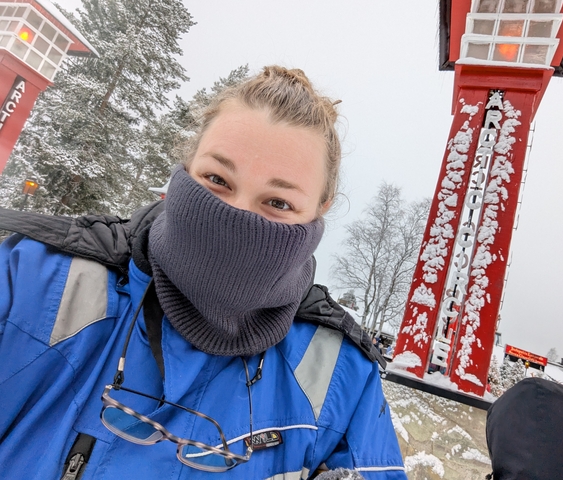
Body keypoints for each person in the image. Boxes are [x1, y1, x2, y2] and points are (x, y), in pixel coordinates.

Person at [0, 66, 406, 479]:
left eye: (278, 203)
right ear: (187, 165)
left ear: (320, 208)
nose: (236, 217)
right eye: (217, 179)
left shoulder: (341, 377)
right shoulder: (32, 279)